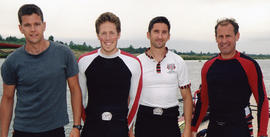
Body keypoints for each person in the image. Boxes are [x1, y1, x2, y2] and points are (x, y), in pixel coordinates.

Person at [0, 4, 82, 137]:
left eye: (37, 24)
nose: (33, 29)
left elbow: (75, 89)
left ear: (44, 25)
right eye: (27, 25)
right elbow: (7, 98)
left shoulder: (64, 54)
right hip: (23, 131)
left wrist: (76, 126)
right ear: (21, 28)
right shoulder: (11, 62)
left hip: (55, 130)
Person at [191, 18, 269, 137]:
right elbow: (203, 101)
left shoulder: (249, 65)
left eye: (228, 36)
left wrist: (262, 133)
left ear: (237, 36)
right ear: (216, 38)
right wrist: (193, 128)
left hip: (239, 128)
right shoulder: (208, 66)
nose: (224, 41)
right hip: (214, 128)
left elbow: (262, 100)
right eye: (220, 36)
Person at [78, 12, 142, 137]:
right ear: (98, 35)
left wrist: (127, 126)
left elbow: (135, 101)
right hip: (91, 128)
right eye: (103, 33)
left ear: (118, 34)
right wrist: (89, 122)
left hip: (120, 129)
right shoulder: (84, 61)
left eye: (112, 33)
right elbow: (80, 99)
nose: (108, 38)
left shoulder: (133, 63)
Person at [134, 16, 193, 137]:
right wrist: (129, 129)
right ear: (148, 34)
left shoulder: (178, 61)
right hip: (144, 121)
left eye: (164, 32)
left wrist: (187, 129)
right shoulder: (137, 62)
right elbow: (130, 98)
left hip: (170, 121)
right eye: (156, 31)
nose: (160, 36)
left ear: (169, 36)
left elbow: (187, 97)